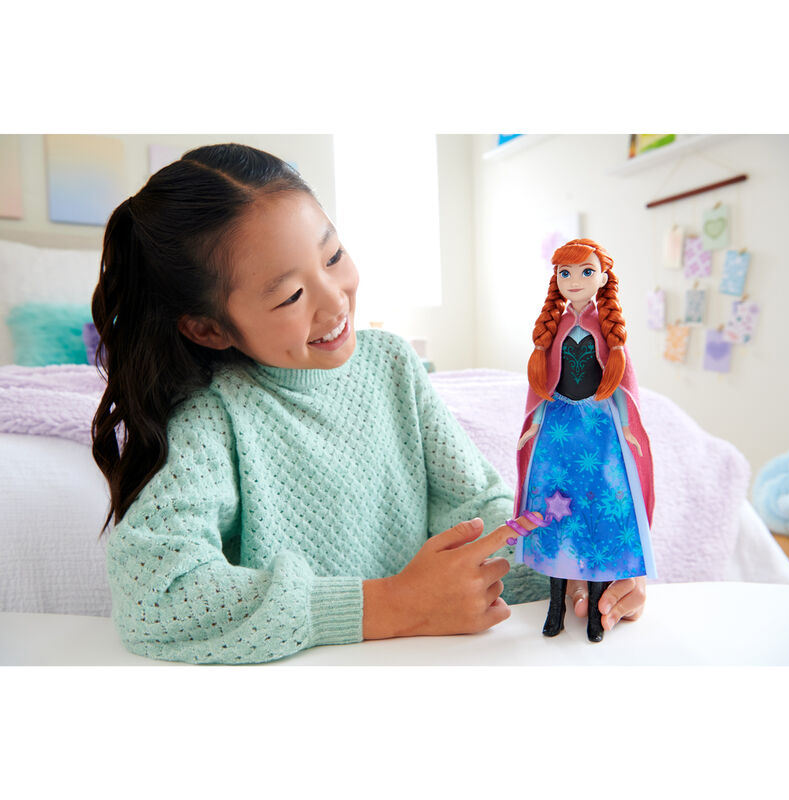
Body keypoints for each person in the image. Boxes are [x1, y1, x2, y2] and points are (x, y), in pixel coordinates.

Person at [91, 145, 644, 664]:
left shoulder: (392, 363)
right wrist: (391, 605)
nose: (335, 301)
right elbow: (153, 594)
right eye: (290, 296)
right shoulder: (214, 415)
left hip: (435, 664)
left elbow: (478, 507)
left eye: (333, 256)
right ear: (209, 329)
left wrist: (576, 563)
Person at [509, 238, 656, 642]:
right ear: (556, 279)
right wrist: (534, 423)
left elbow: (620, 382)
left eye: (586, 271)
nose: (574, 280)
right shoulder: (553, 329)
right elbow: (543, 384)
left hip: (599, 427)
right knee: (554, 515)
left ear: (603, 278)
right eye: (565, 272)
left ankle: (595, 613)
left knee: (597, 514)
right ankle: (554, 609)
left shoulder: (605, 329)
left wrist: (628, 426)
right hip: (558, 427)